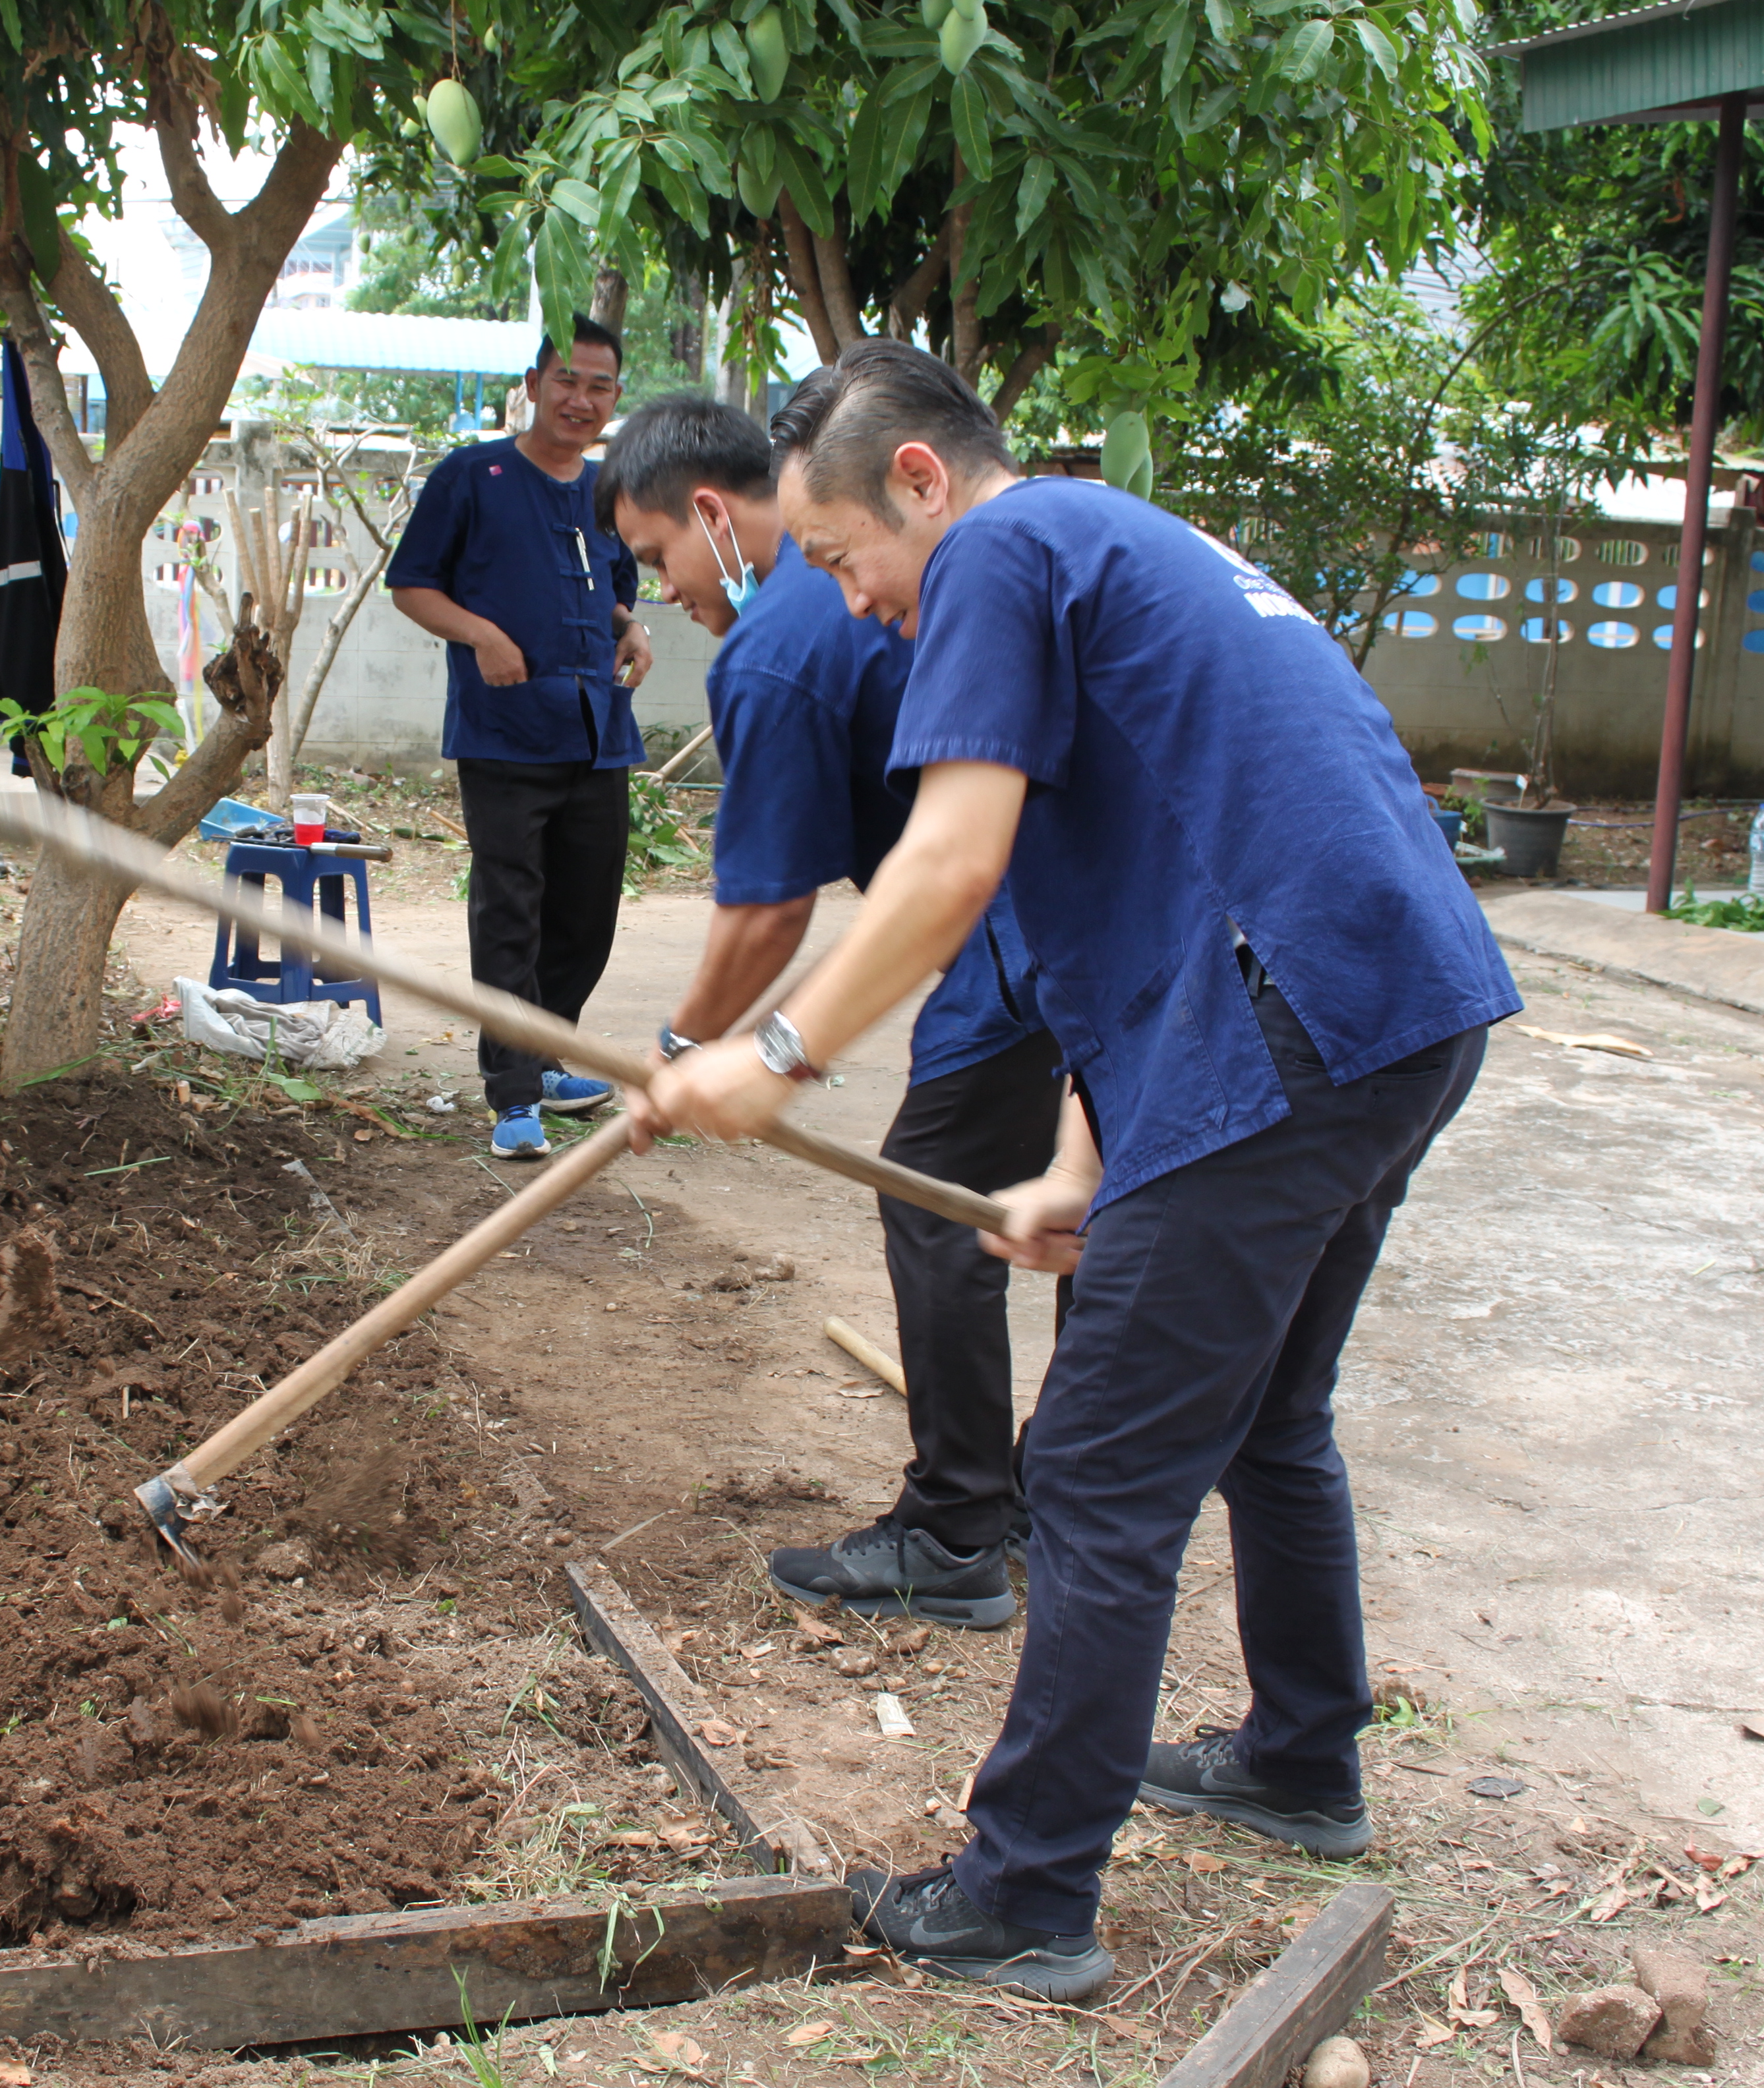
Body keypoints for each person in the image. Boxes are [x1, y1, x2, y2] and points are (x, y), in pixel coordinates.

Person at [629, 342, 1521, 2001]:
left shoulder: (995, 549)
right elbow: (1131, 911)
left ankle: (1025, 1889)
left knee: (1098, 1475)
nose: (859, 603)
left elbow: (947, 865)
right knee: (1268, 1413)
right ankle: (1299, 1757)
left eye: (840, 562)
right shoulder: (1106, 550)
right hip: (1394, 1002)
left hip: (1302, 1021)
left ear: (915, 483)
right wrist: (1073, 1162)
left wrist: (775, 1052)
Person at [595, 394, 1054, 1629]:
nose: (667, 590)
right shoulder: (828, 610)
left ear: (711, 512)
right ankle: (1042, 1493)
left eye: (656, 559)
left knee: (936, 1187)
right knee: (1068, 1202)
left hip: (1013, 918)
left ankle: (960, 1530)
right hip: (1058, 904)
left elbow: (764, 917)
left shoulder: (777, 646)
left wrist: (685, 1053)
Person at [387, 317, 657, 1161]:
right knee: (511, 911)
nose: (581, 399)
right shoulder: (474, 475)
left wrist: (630, 631)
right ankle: (511, 1095)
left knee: (587, 912)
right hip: (504, 734)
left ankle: (546, 1056)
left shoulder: (613, 487)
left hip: (597, 731)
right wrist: (480, 635)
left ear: (616, 398)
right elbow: (412, 585)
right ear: (534, 384)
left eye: (600, 386)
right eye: (567, 380)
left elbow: (615, 591)